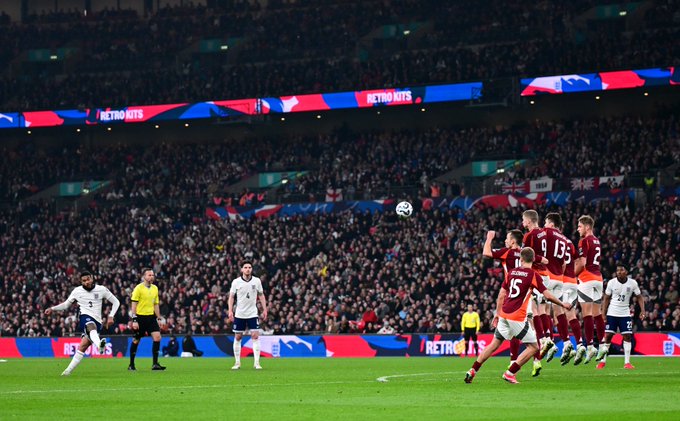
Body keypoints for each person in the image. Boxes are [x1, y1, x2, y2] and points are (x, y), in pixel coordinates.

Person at [464, 247, 571, 384]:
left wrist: (497, 314)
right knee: (534, 347)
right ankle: (510, 373)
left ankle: (472, 370)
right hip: (517, 317)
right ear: (533, 259)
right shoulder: (533, 275)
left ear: (520, 259)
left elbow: (501, 294)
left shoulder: (512, 272)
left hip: (504, 314)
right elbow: (547, 295)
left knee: (494, 345)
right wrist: (562, 304)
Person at [483, 229, 548, 366]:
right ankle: (537, 359)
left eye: (507, 238)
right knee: (529, 325)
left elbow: (486, 253)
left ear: (513, 241)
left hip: (512, 295)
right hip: (527, 295)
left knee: (513, 327)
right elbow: (545, 260)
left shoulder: (507, 252)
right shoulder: (526, 253)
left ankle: (513, 361)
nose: (505, 241)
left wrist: (489, 238)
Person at [44, 271, 120, 376]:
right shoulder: (77, 291)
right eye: (84, 281)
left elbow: (116, 302)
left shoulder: (101, 289)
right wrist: (52, 309)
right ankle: (99, 346)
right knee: (90, 325)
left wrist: (111, 316)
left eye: (88, 279)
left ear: (92, 278)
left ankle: (67, 372)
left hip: (98, 322)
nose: (86, 282)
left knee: (83, 346)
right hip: (85, 317)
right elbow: (66, 305)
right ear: (81, 282)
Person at [596, 265, 645, 369]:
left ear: (626, 272)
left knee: (627, 336)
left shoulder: (632, 283)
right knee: (608, 336)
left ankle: (627, 363)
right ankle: (602, 361)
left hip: (625, 313)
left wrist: (643, 310)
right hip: (612, 313)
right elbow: (606, 298)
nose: (619, 272)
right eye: (617, 270)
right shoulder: (611, 282)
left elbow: (639, 297)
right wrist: (603, 314)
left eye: (621, 270)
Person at [521, 210, 550, 375]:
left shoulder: (529, 235)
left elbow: (527, 256)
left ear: (529, 221)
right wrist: (541, 258)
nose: (522, 223)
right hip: (545, 274)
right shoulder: (543, 233)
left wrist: (537, 258)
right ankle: (538, 357)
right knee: (542, 309)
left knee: (532, 314)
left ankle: (544, 340)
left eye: (523, 220)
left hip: (534, 275)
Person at [573, 215, 604, 365]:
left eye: (579, 226)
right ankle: (603, 345)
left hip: (586, 279)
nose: (577, 229)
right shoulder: (597, 241)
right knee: (598, 314)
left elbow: (583, 263)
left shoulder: (583, 241)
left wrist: (572, 275)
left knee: (587, 315)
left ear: (587, 227)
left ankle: (590, 346)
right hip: (598, 279)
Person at [540, 213, 569, 362]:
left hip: (548, 275)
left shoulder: (547, 232)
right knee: (559, 311)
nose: (544, 225)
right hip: (559, 277)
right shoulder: (564, 238)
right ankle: (567, 342)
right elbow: (564, 263)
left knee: (543, 308)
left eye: (546, 222)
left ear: (551, 224)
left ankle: (548, 339)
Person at [228, 261, 268, 370]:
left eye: (249, 267)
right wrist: (230, 311)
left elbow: (261, 295)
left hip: (252, 313)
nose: (247, 269)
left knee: (255, 336)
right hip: (240, 313)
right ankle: (237, 363)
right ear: (242, 269)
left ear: (251, 269)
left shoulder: (257, 281)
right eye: (245, 267)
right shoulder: (236, 282)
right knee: (238, 337)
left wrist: (265, 309)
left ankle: (257, 363)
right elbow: (231, 297)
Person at [128, 268, 166, 371]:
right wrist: (134, 320)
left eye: (152, 275)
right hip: (140, 317)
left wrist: (158, 318)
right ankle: (131, 364)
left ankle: (155, 364)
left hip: (151, 317)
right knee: (136, 340)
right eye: (149, 275)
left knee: (157, 337)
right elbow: (134, 305)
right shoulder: (138, 288)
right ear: (144, 276)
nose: (151, 277)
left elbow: (156, 304)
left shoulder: (155, 288)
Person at [559, 234, 583, 365]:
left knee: (558, 314)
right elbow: (580, 262)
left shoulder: (553, 240)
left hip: (562, 282)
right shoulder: (569, 243)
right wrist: (572, 275)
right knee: (571, 314)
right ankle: (579, 344)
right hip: (573, 282)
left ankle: (567, 344)